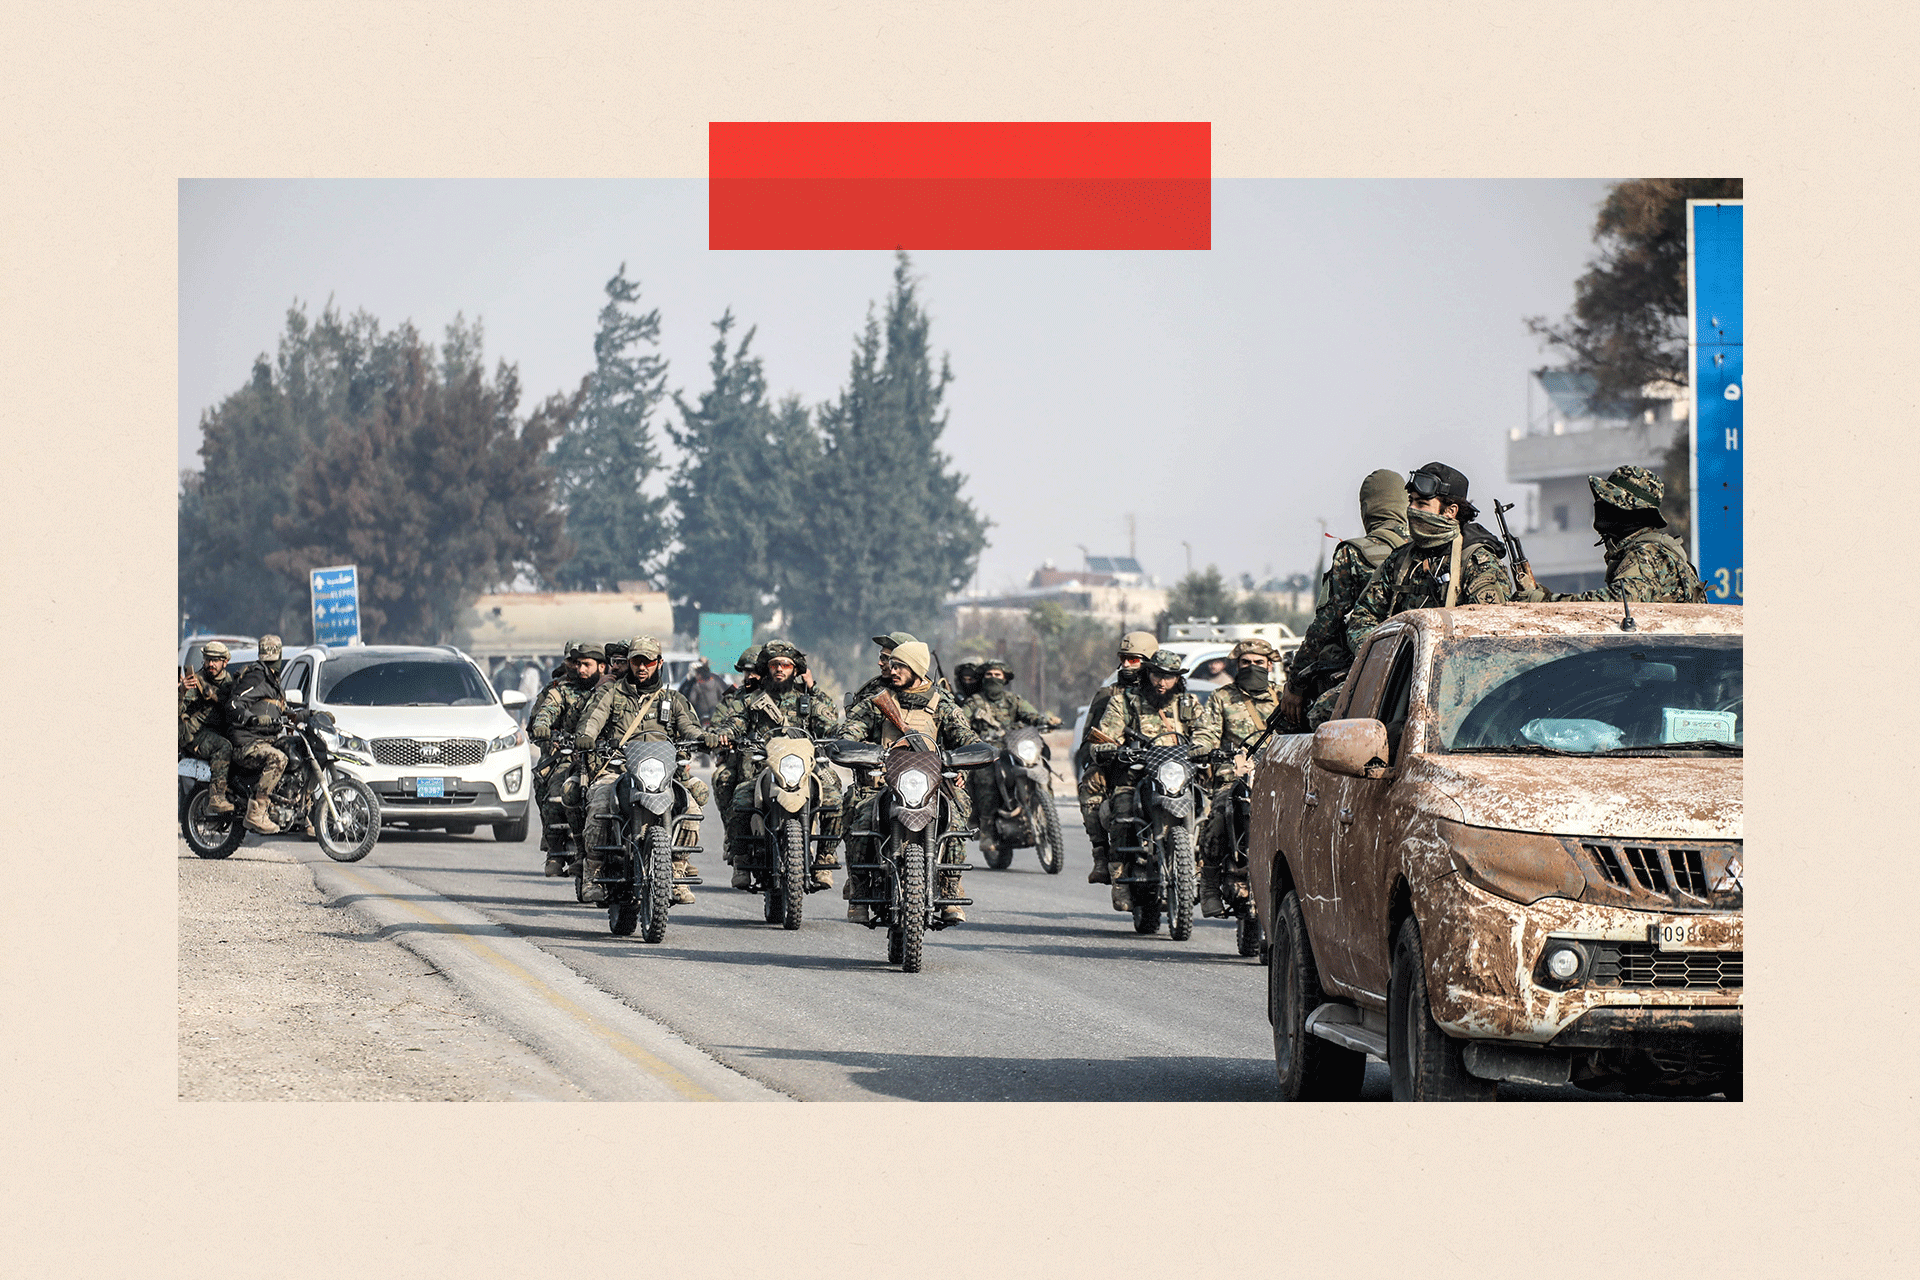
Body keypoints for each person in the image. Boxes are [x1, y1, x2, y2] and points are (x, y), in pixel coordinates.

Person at [1335, 461, 1510, 723]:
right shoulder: (1400, 560)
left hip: (1454, 686)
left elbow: (1491, 637)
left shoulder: (1475, 561)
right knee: (1324, 712)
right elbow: (1363, 616)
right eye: (1411, 501)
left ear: (1450, 511)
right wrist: (1386, 658)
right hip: (1395, 677)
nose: (1412, 510)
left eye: (1422, 504)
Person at [838, 641, 982, 925]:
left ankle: (951, 883)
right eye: (892, 665)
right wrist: (859, 749)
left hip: (930, 782)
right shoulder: (877, 701)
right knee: (859, 814)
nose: (893, 670)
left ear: (917, 668)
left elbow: (967, 737)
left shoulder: (941, 703)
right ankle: (859, 888)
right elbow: (850, 731)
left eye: (900, 666)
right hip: (882, 781)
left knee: (957, 813)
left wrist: (962, 758)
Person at [572, 637, 709, 905]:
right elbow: (592, 721)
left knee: (691, 808)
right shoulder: (610, 694)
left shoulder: (673, 699)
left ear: (658, 663)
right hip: (617, 769)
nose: (642, 667)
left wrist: (704, 737)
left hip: (663, 775)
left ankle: (677, 872)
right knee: (600, 803)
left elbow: (690, 727)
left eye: (648, 661)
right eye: (636, 661)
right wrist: (586, 736)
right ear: (630, 663)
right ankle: (593, 872)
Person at [707, 641, 843, 893]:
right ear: (766, 668)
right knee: (741, 798)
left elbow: (829, 723)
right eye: (774, 665)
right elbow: (736, 721)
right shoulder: (753, 700)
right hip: (762, 768)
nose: (780, 669)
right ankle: (741, 860)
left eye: (786, 664)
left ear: (795, 669)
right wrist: (726, 733)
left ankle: (824, 857)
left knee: (834, 796)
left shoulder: (807, 700)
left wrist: (841, 733)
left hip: (803, 769)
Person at [1280, 468, 1410, 729]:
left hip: (1368, 670)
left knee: (1312, 721)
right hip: (1419, 663)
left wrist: (1295, 686)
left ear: (1367, 508)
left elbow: (1325, 626)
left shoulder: (1354, 554)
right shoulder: (1425, 551)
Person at [1085, 649, 1208, 912]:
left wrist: (1203, 746)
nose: (1162, 682)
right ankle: (1120, 882)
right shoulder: (1125, 703)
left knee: (1210, 810)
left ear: (1178, 679)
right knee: (1122, 812)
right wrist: (1111, 748)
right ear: (1147, 674)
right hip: (1137, 775)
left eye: (1169, 677)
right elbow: (1103, 736)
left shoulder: (1189, 704)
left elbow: (1206, 733)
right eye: (1156, 675)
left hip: (1180, 777)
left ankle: (1206, 875)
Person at [1515, 465, 1709, 604]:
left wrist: (1546, 601)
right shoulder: (1652, 550)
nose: (1599, 505)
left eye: (1610, 501)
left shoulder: (1646, 555)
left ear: (1635, 513)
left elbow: (1615, 606)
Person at [1192, 638, 1282, 918]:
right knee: (1218, 814)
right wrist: (1203, 748)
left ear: (1269, 665)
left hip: (1278, 778)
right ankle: (1208, 882)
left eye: (1258, 663)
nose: (1251, 667)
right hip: (1234, 777)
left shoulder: (1283, 697)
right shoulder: (1222, 697)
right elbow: (1207, 732)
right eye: (1245, 663)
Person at [1075, 631, 1158, 884]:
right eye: (1123, 658)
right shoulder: (1107, 695)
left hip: (1158, 765)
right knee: (1090, 781)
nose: (1125, 665)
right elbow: (1089, 741)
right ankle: (1101, 855)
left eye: (1134, 659)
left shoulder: (1164, 694)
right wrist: (1104, 753)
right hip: (1118, 763)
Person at [960, 657, 1060, 858]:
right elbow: (960, 720)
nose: (993, 678)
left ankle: (1045, 808)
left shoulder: (1014, 700)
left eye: (997, 675)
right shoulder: (975, 701)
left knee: (1041, 762)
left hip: (1014, 746)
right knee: (985, 777)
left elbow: (1031, 715)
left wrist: (1046, 720)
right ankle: (987, 829)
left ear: (1005, 679)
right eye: (989, 675)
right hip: (988, 750)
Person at [528, 644, 601, 876]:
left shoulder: (611, 689)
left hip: (603, 756)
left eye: (585, 664)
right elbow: (544, 713)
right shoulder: (560, 690)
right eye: (575, 662)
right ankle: (556, 849)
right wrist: (545, 730)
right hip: (567, 755)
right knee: (554, 790)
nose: (579, 668)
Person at [225, 634, 291, 834]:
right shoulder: (258, 676)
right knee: (278, 759)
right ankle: (257, 810)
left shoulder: (273, 680)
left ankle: (304, 817)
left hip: (264, 740)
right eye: (270, 659)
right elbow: (234, 704)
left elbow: (279, 710)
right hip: (246, 743)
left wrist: (309, 714)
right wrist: (251, 718)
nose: (273, 662)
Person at [709, 644, 764, 887]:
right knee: (723, 779)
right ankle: (735, 844)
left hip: (779, 761)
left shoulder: (784, 695)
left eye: (756, 672)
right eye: (747, 672)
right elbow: (719, 724)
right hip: (741, 759)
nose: (751, 676)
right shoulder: (736, 698)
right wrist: (719, 737)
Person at [179, 640, 237, 813]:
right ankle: (216, 797)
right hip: (194, 733)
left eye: (215, 660)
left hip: (215, 731)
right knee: (224, 747)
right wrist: (181, 691)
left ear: (225, 662)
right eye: (207, 660)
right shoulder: (196, 682)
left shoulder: (229, 682)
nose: (211, 664)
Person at [844, 631, 919, 712]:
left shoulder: (930, 697)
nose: (879, 663)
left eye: (886, 658)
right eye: (881, 657)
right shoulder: (874, 689)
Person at [680, 658, 727, 723]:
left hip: (701, 715)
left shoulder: (693, 684)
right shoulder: (716, 680)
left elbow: (691, 699)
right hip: (715, 714)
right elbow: (724, 695)